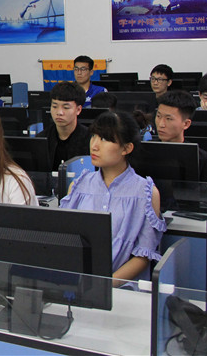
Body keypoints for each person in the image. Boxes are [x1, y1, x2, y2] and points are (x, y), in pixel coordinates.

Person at [60, 112, 166, 285]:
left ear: (127, 148)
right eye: (94, 136)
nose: (94, 145)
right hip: (77, 285)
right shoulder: (78, 186)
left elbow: (143, 256)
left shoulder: (146, 193)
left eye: (104, 139)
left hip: (122, 289)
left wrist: (104, 286)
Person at [154, 91, 207, 183]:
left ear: (186, 124)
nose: (161, 124)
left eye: (168, 119)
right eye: (158, 116)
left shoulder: (201, 159)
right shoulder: (143, 151)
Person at [36, 81, 91, 171]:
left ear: (78, 110)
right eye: (54, 106)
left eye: (66, 107)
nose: (59, 112)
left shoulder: (90, 139)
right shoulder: (42, 138)